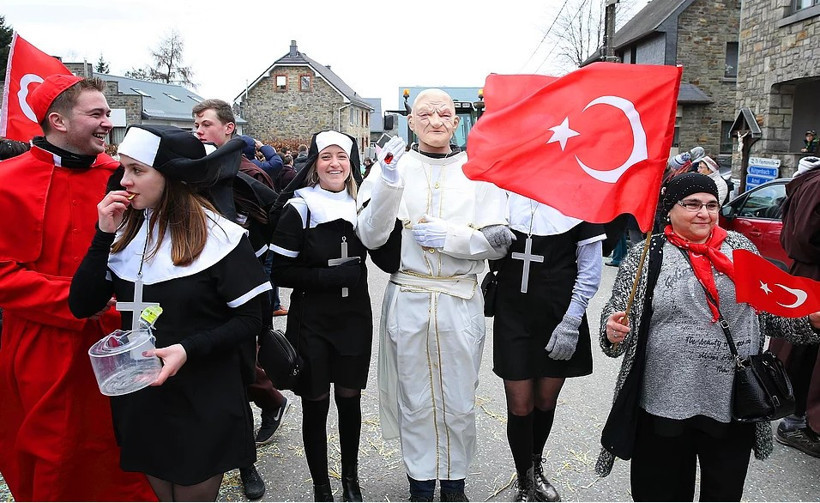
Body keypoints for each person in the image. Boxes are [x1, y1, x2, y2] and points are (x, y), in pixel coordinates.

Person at [69, 124, 271, 501]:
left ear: (171, 176)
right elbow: (81, 304)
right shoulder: (126, 232)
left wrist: (188, 349)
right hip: (144, 395)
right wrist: (102, 235)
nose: (123, 180)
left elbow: (251, 321)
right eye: (123, 168)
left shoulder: (221, 238)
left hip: (203, 392)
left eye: (137, 170)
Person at [596, 172, 820, 501]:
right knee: (660, 492)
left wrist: (810, 321)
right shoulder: (648, 255)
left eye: (712, 205)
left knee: (724, 493)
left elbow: (772, 315)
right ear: (669, 209)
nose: (705, 213)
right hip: (664, 400)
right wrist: (613, 331)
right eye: (692, 204)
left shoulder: (740, 249)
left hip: (732, 400)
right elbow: (616, 316)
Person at [0, 75, 156, 501]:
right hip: (40, 345)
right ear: (59, 121)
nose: (108, 122)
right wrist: (72, 303)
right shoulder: (5, 181)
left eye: (108, 113)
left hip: (119, 338)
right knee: (50, 456)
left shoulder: (125, 178)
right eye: (97, 114)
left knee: (123, 455)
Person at [356, 89, 511, 502]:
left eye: (444, 113)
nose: (436, 121)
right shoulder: (392, 166)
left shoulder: (478, 170)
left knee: (458, 398)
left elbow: (498, 241)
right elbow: (370, 235)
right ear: (411, 120)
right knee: (415, 397)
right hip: (409, 294)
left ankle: (454, 484)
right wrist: (389, 185)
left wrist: (454, 239)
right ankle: (421, 483)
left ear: (456, 118)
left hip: (459, 299)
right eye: (425, 113)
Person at [269, 131, 399, 501]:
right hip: (312, 321)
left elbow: (387, 259)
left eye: (341, 157)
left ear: (351, 164)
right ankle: (321, 487)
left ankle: (351, 482)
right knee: (315, 404)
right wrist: (327, 278)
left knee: (349, 400)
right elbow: (279, 272)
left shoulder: (364, 207)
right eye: (326, 156)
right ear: (314, 163)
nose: (334, 164)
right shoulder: (301, 208)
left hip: (354, 320)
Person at [193, 98, 288, 499]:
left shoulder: (251, 175)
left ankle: (247, 459)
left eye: (206, 123)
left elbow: (268, 231)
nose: (199, 130)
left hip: (243, 288)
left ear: (229, 129)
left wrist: (261, 290)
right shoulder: (187, 174)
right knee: (215, 375)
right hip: (197, 290)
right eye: (195, 123)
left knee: (240, 369)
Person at [492, 194, 605, 501]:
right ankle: (525, 480)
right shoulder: (504, 198)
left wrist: (571, 322)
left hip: (559, 316)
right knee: (519, 405)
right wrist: (488, 237)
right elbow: (485, 253)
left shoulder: (580, 202)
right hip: (513, 315)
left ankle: (535, 465)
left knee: (544, 401)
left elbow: (590, 272)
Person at [771, 155, 820, 458]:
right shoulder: (816, 184)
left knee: (807, 353)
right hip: (812, 278)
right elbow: (802, 237)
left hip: (810, 276)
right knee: (803, 350)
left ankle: (797, 419)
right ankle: (796, 422)